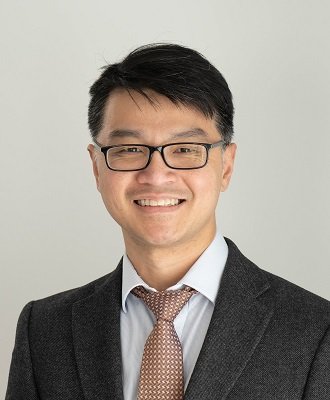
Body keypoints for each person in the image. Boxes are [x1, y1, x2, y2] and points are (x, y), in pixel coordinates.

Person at [6, 43, 330, 400]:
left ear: (226, 165)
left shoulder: (315, 331)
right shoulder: (44, 330)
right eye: (129, 149)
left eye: (185, 149)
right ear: (96, 167)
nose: (156, 175)